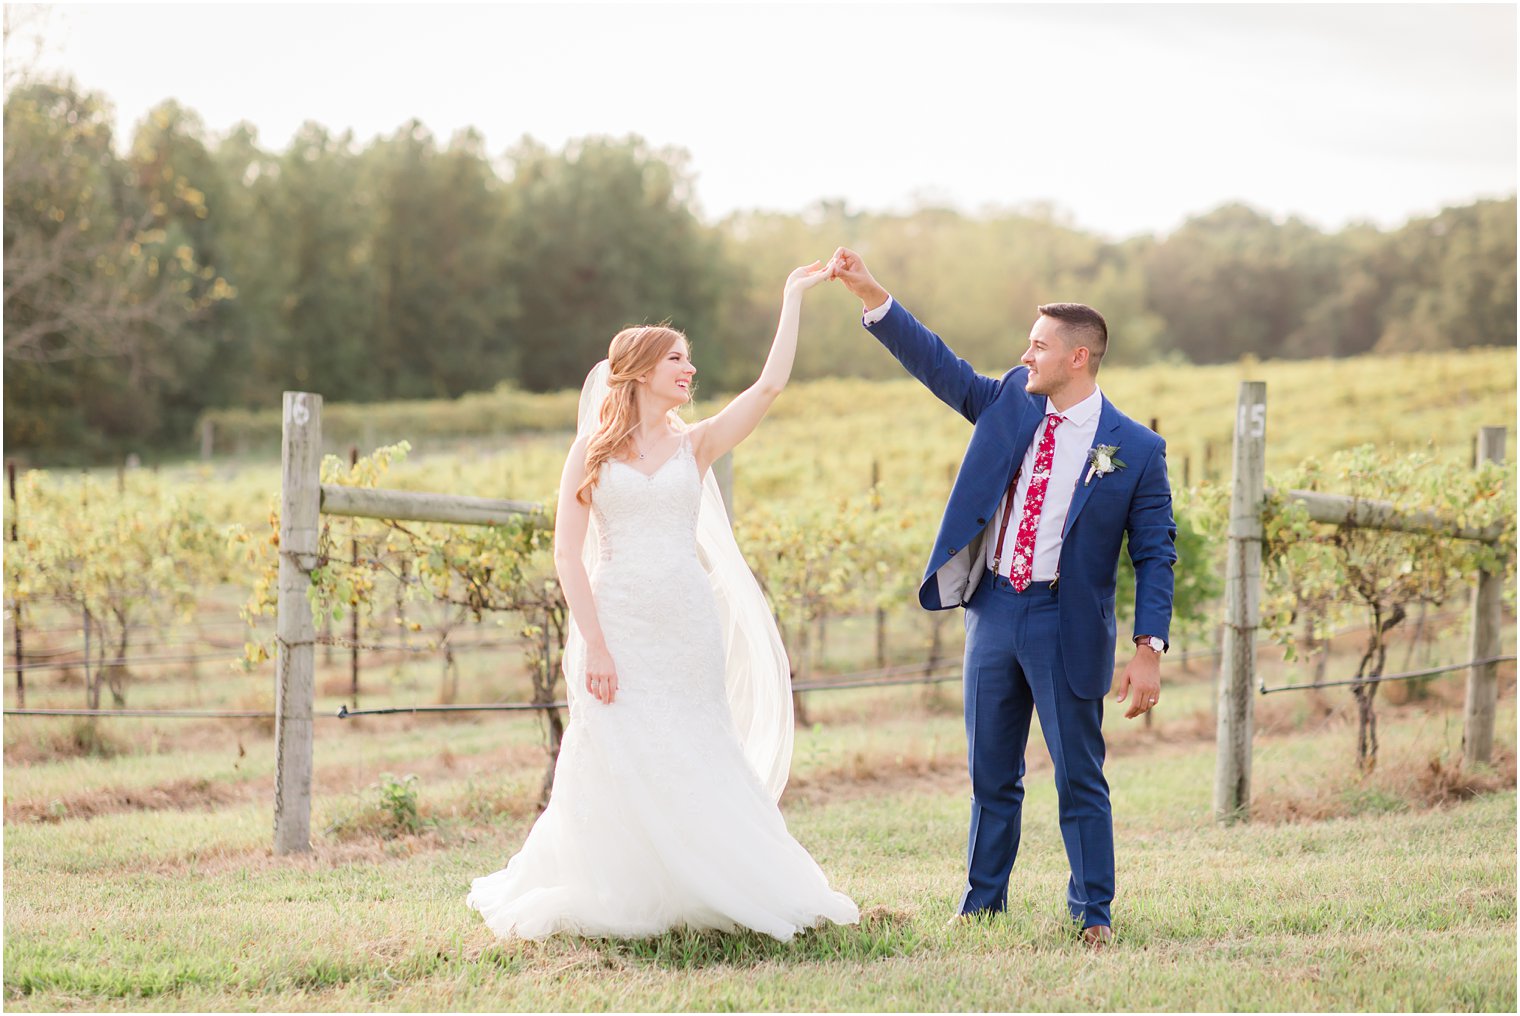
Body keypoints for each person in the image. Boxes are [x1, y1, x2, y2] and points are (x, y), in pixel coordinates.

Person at [467, 262, 859, 941]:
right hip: (616, 622)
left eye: (689, 359)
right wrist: (595, 643)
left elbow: (769, 387)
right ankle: (624, 889)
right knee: (612, 748)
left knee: (696, 745)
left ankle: (713, 881)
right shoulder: (590, 451)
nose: (690, 369)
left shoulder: (696, 444)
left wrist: (792, 295)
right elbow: (567, 554)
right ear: (642, 370)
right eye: (677, 359)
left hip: (685, 622)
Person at [826, 247, 1176, 948]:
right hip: (993, 610)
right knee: (992, 774)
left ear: (1078, 358)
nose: (1027, 355)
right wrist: (871, 294)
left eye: (1039, 346)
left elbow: (1155, 551)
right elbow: (936, 362)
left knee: (1079, 775)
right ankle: (983, 904)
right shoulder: (1005, 404)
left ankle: (1094, 914)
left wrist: (1148, 649)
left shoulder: (1134, 448)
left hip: (1065, 620)